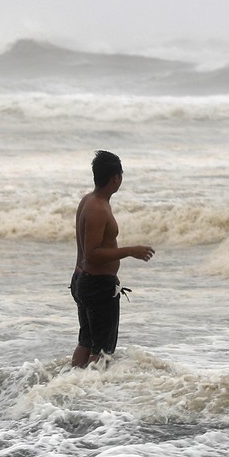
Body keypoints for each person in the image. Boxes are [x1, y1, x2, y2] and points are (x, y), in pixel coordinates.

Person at [71, 150, 154, 366]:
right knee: (102, 353)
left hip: (82, 280)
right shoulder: (98, 208)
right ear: (116, 178)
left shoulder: (88, 200)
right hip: (96, 285)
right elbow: (92, 253)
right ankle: (89, 395)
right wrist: (129, 251)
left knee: (86, 343)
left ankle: (72, 387)